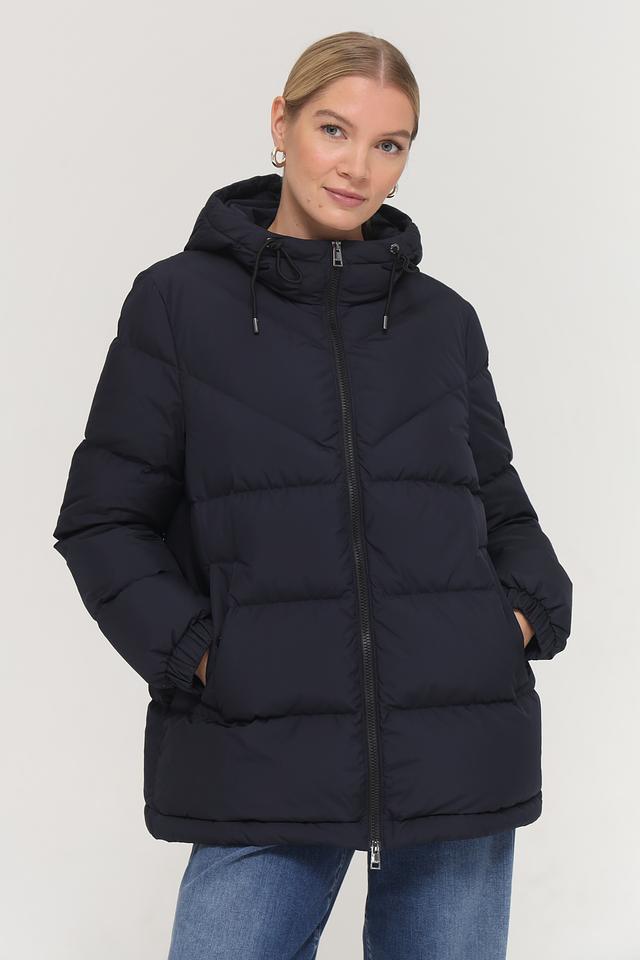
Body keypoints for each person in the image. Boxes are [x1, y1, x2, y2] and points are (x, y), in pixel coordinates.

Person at [52, 30, 572, 960]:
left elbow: (502, 508)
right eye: (335, 129)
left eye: (389, 143)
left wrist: (518, 618)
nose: (358, 166)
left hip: (457, 749)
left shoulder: (442, 322)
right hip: (262, 746)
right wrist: (209, 659)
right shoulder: (177, 304)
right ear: (281, 124)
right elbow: (103, 520)